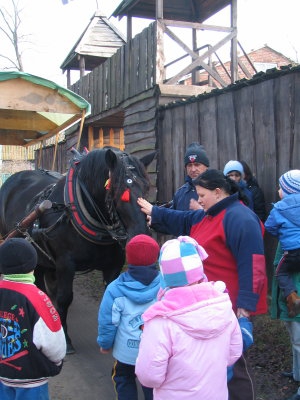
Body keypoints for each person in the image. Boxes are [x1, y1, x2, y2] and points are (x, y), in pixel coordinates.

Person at [137, 169, 268, 400]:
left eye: (201, 195)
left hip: (230, 307)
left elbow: (254, 266)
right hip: (207, 303)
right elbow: (183, 219)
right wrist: (155, 211)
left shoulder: (241, 218)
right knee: (209, 363)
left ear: (218, 192)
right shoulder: (209, 214)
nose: (198, 201)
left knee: (233, 366)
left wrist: (245, 310)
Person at [135, 235, 243, 400]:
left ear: (165, 276)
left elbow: (149, 377)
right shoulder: (223, 306)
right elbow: (233, 353)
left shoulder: (160, 320)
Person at [0, 238, 66, 400]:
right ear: (33, 266)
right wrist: (57, 362)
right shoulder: (38, 298)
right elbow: (54, 343)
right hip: (31, 381)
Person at [97, 234, 161, 400]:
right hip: (156, 352)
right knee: (152, 385)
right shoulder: (165, 285)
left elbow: (108, 322)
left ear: (128, 257)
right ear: (156, 257)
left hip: (126, 353)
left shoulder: (115, 289)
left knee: (123, 379)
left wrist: (105, 343)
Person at [265, 169, 300, 318]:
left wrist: (282, 234)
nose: (278, 190)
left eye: (280, 188)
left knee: (281, 272)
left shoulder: (279, 208)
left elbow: (269, 226)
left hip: (291, 253)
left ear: (287, 190)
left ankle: (293, 297)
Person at [271, 242, 300, 400]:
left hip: (296, 293)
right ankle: (297, 374)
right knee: (295, 340)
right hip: (289, 293)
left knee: (299, 342)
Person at [171, 142, 209, 210]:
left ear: (206, 166)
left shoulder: (216, 191)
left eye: (197, 164)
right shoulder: (180, 193)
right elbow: (172, 217)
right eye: (189, 165)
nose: (193, 169)